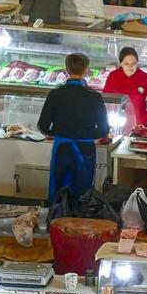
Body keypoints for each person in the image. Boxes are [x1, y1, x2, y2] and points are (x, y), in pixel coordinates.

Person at [38, 53, 107, 200]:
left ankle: (56, 219)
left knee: (59, 191)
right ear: (86, 70)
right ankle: (78, 220)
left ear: (66, 69)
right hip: (86, 150)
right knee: (82, 193)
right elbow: (103, 129)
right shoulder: (95, 97)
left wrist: (57, 133)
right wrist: (87, 135)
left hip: (62, 148)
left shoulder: (55, 94)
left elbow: (43, 125)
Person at [104, 46, 147, 133]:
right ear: (121, 64)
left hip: (138, 126)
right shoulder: (113, 76)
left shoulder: (146, 78)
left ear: (137, 63)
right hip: (115, 125)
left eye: (133, 64)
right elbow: (106, 98)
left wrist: (144, 118)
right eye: (126, 64)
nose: (130, 67)